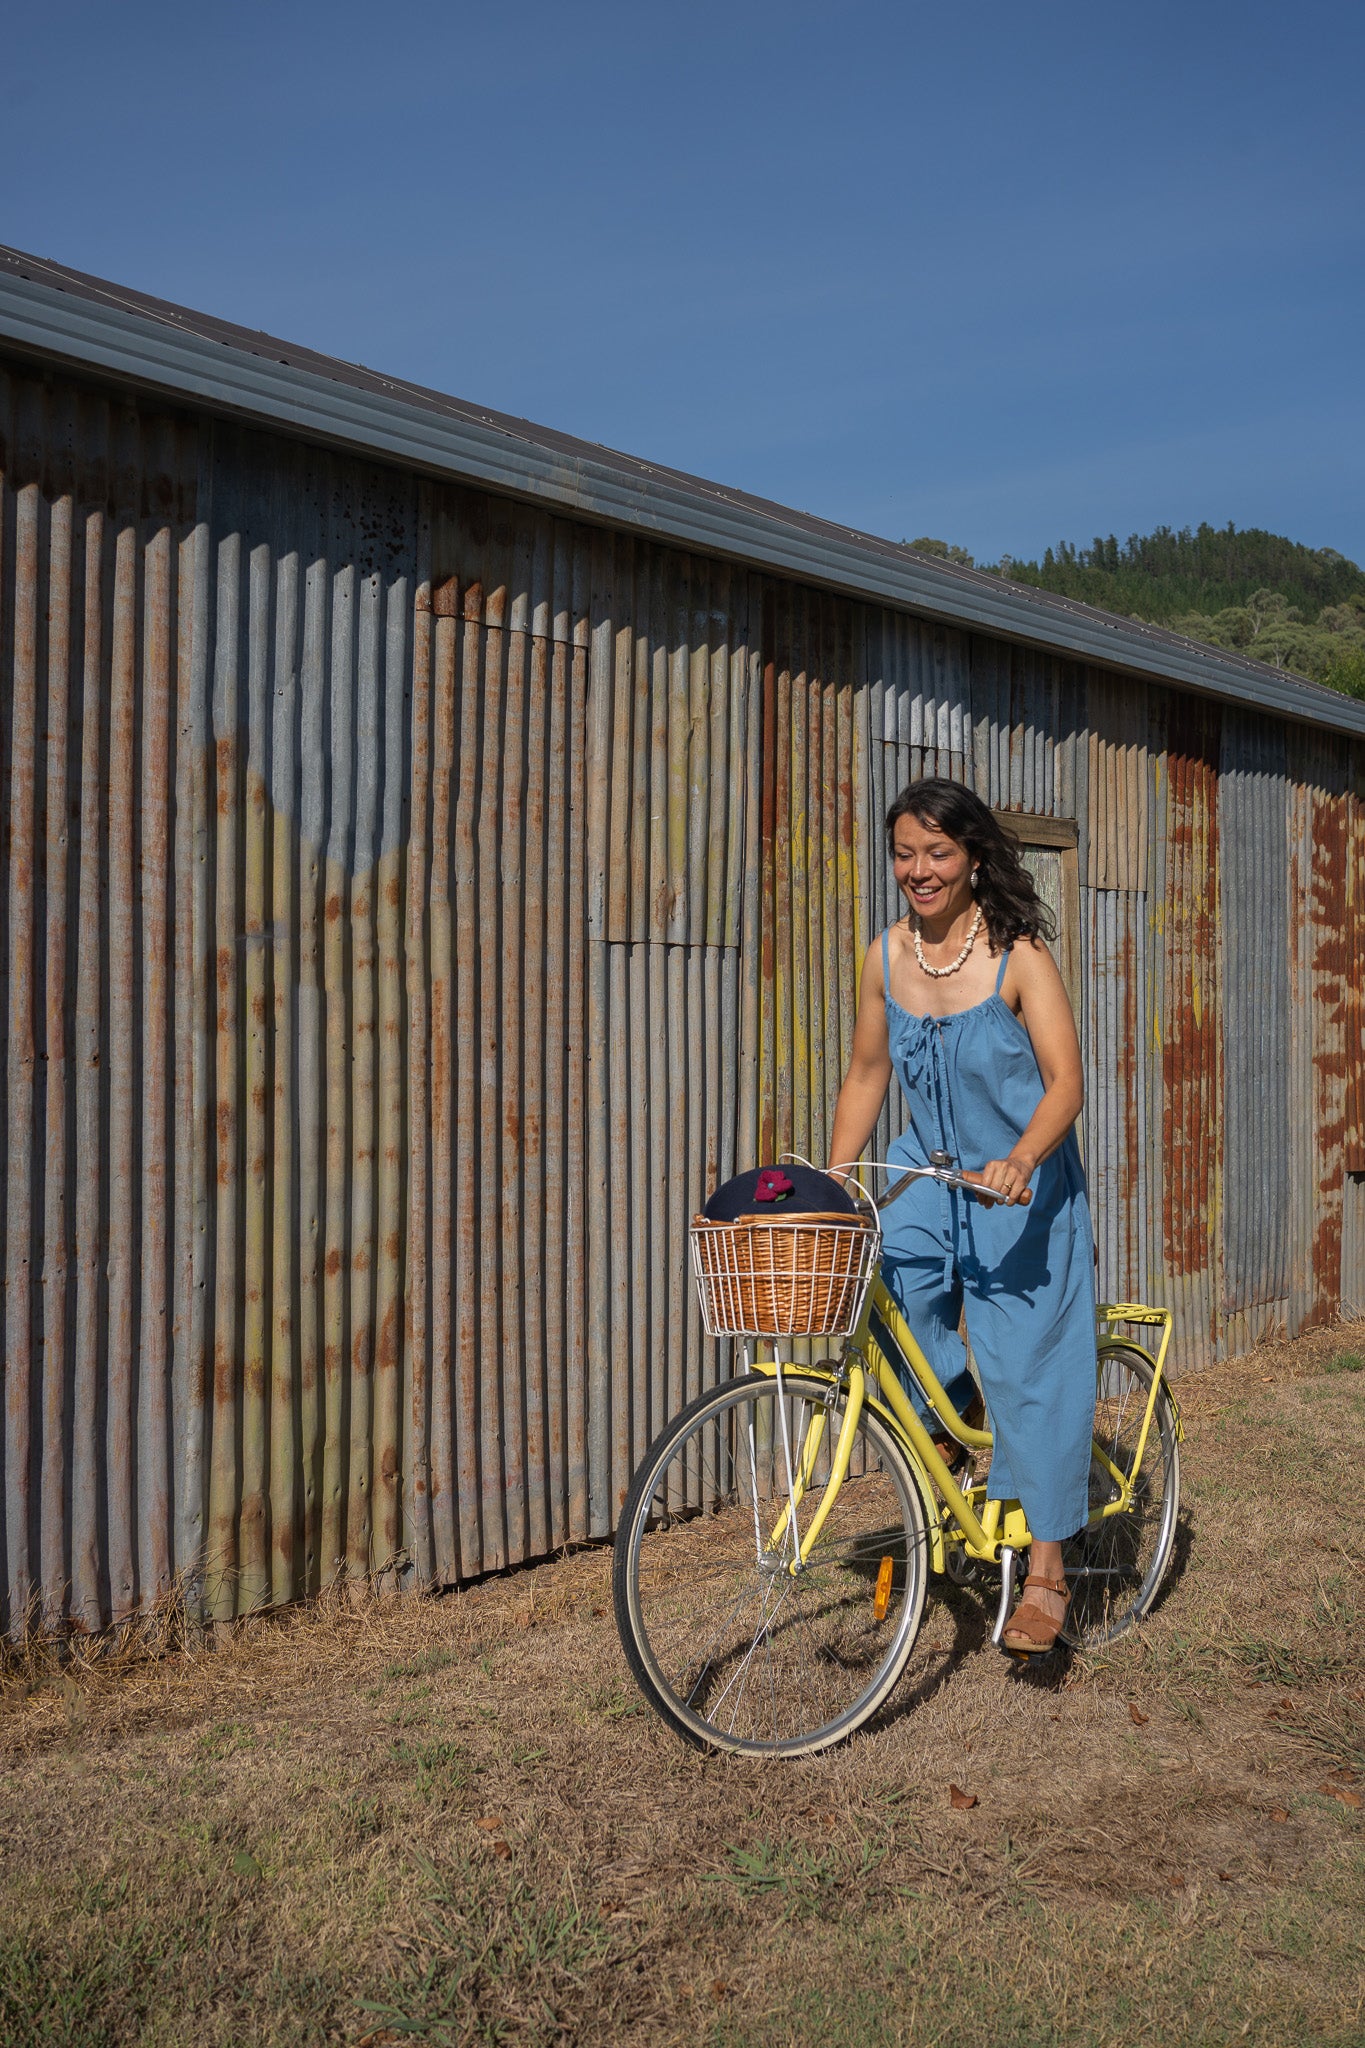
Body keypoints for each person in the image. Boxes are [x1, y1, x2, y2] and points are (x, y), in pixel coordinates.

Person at [826, 778, 1096, 1654]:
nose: (918, 870)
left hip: (1016, 1177)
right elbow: (868, 1075)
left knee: (1028, 1363)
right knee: (886, 1283)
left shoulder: (1018, 956)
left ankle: (1048, 1568)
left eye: (937, 853)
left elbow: (1066, 1083)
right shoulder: (886, 955)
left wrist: (1022, 1158)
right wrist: (835, 1182)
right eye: (904, 853)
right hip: (926, 1170)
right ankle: (950, 1422)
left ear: (973, 856)